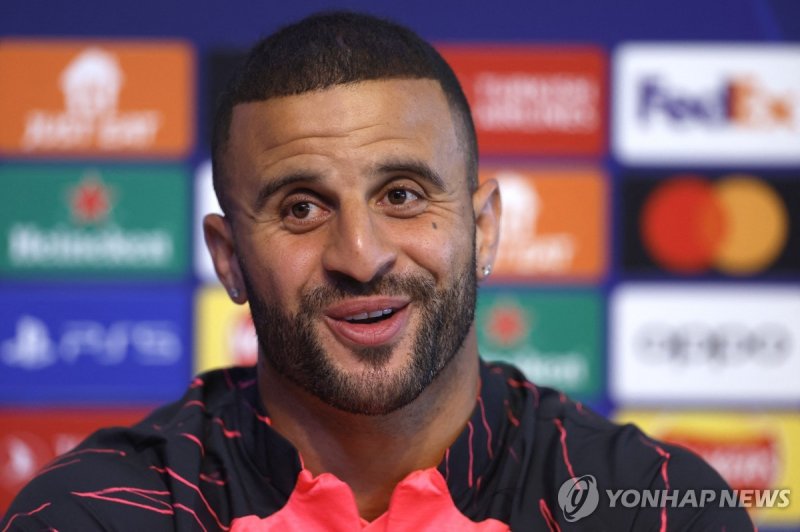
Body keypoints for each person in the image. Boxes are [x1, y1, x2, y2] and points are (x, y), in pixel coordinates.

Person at [2, 11, 753, 531]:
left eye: (401, 195)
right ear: (229, 260)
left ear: (484, 228)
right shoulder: (96, 514)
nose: (361, 256)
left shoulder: (653, 507)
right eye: (301, 208)